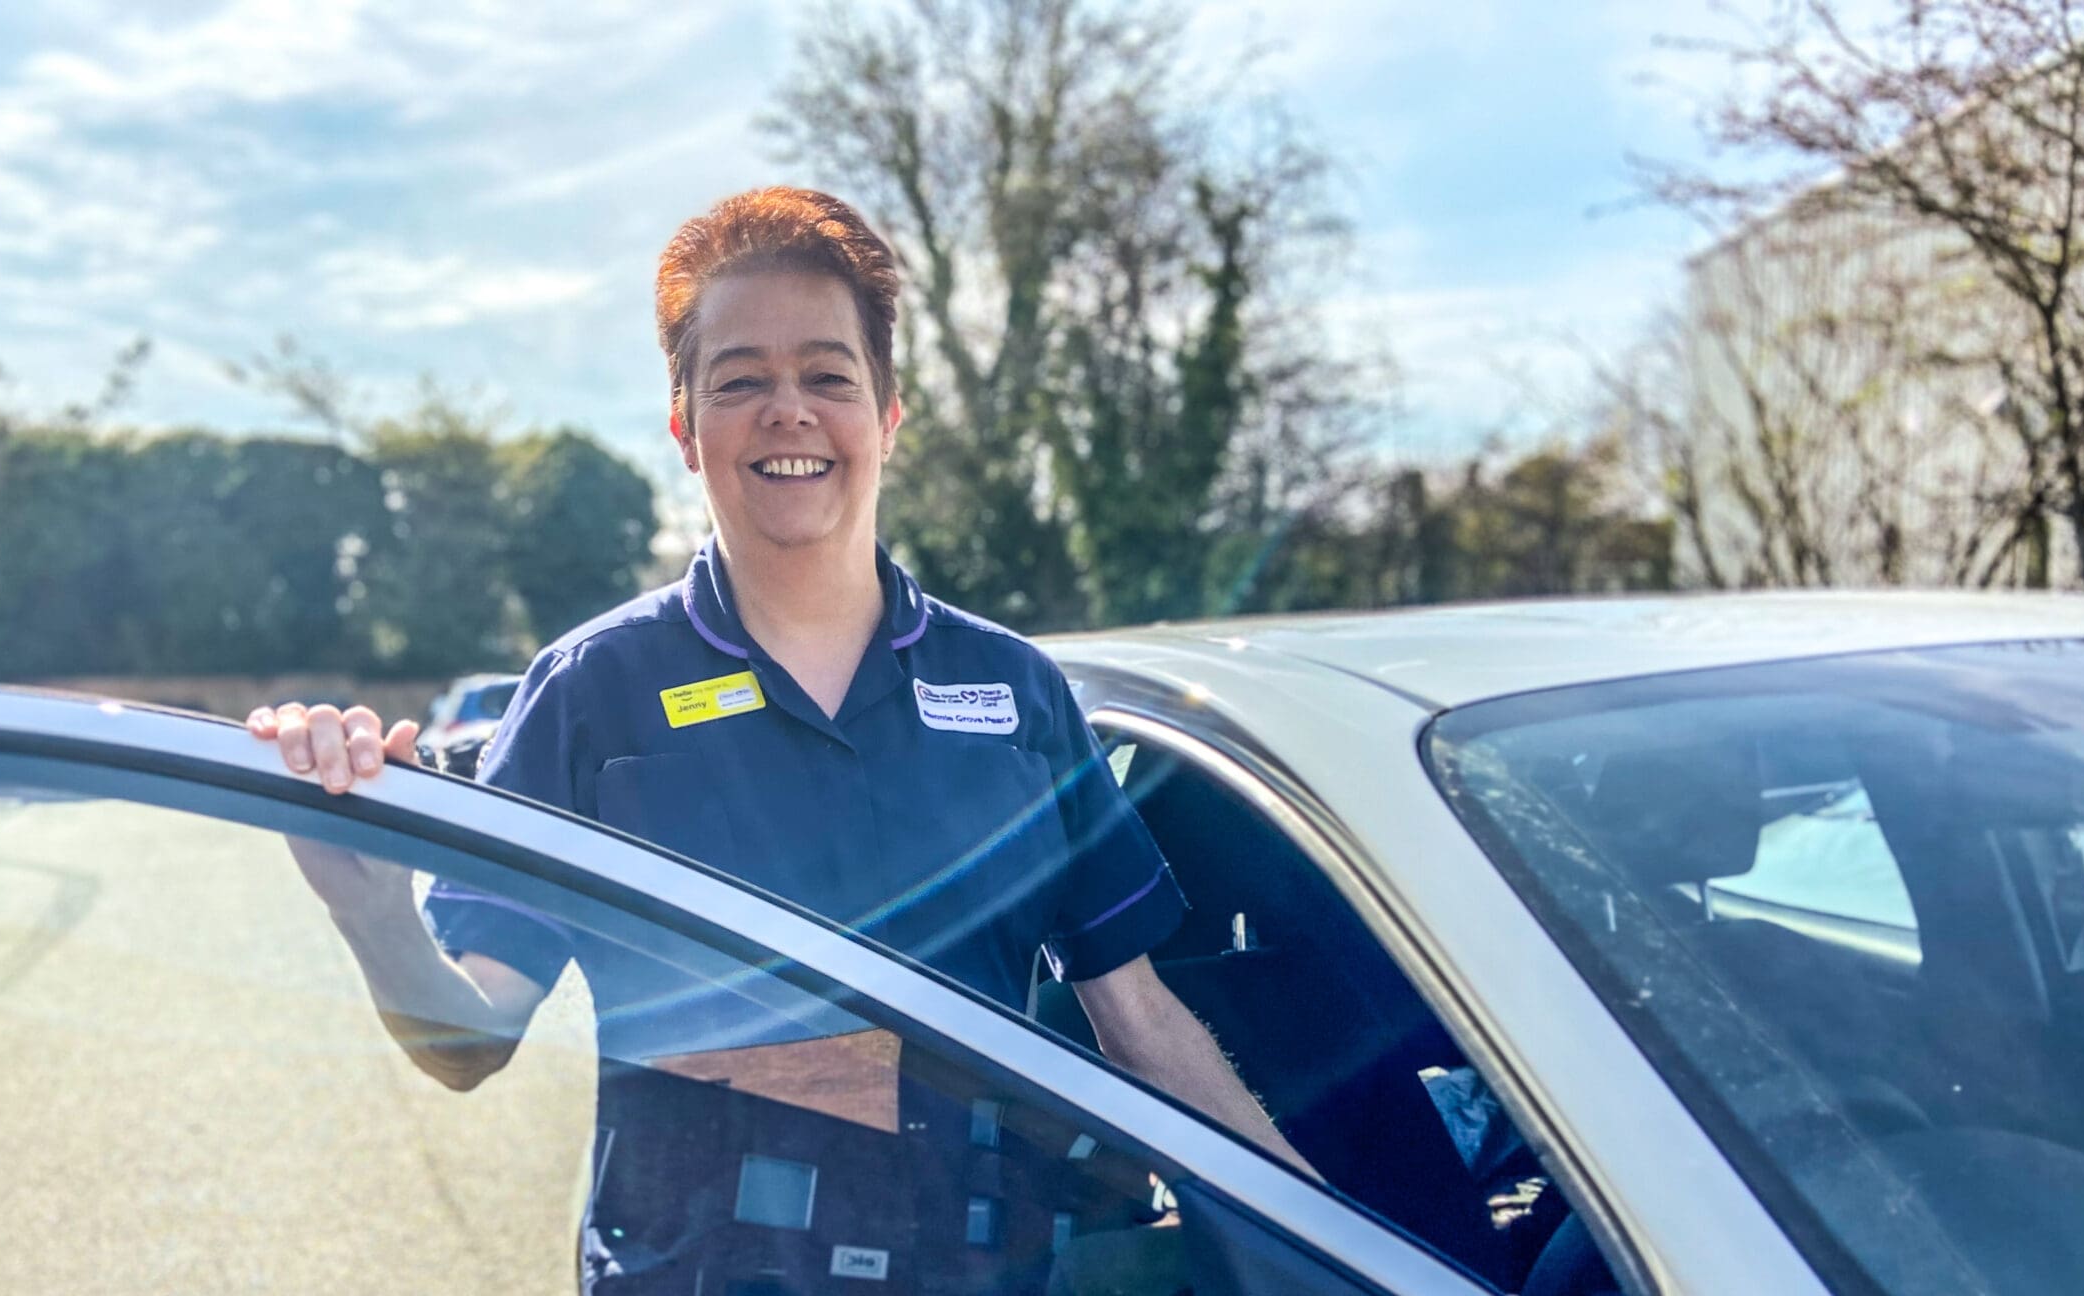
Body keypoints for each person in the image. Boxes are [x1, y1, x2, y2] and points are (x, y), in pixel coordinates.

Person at [249, 185, 1311, 1185]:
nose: (788, 412)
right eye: (741, 380)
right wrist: (376, 915)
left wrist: (1320, 1224)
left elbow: (1137, 1019)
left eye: (828, 376)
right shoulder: (587, 692)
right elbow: (469, 1039)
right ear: (685, 431)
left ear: (887, 418)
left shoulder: (1016, 692)